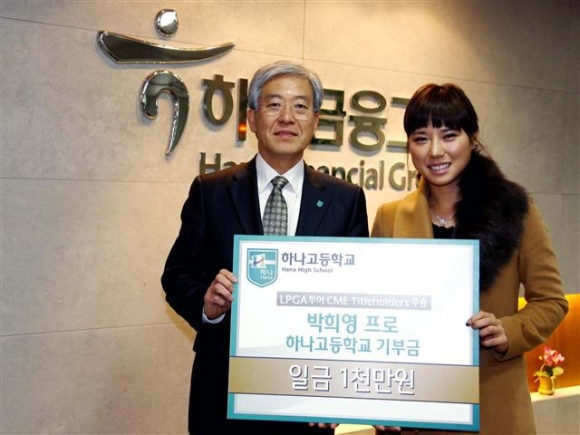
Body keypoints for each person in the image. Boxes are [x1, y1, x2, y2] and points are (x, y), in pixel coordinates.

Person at [161, 60, 369, 435]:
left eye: (300, 106)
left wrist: (339, 388)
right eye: (274, 104)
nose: (287, 117)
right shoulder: (212, 191)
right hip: (224, 392)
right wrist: (208, 308)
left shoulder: (346, 200)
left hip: (309, 397)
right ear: (253, 118)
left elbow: (356, 297)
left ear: (315, 121)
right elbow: (177, 276)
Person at [370, 83, 568, 435]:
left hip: (493, 406)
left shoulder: (515, 211)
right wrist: (373, 394)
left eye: (449, 135)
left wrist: (508, 330)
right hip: (413, 408)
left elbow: (551, 301)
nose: (435, 151)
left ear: (471, 137)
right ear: (409, 146)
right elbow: (373, 314)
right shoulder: (389, 217)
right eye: (420, 138)